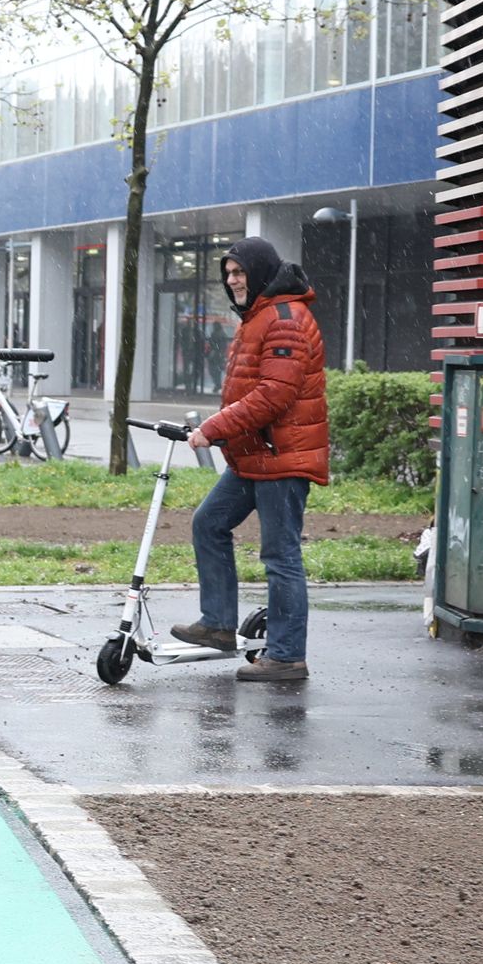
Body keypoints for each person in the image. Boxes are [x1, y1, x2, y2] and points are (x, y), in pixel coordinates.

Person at [170, 238, 328, 683]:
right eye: (228, 273)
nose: (232, 280)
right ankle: (218, 624)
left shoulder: (285, 319)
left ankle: (287, 656)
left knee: (281, 557)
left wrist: (214, 428)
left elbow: (274, 395)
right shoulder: (258, 317)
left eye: (239, 272)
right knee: (209, 523)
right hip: (254, 456)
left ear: (259, 272)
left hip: (282, 457)